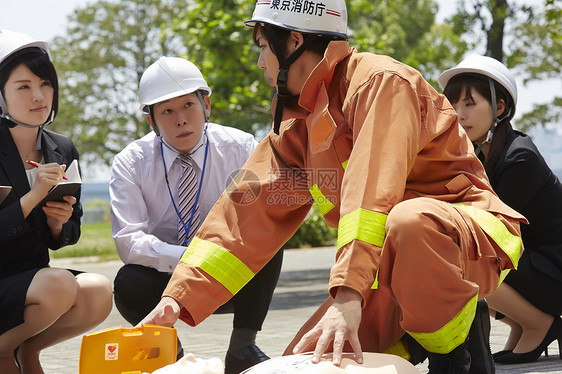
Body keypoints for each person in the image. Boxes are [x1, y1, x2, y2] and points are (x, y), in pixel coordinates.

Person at [140, 1, 527, 373]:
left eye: (262, 46)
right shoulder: (298, 125)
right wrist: (176, 298)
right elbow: (246, 211)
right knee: (304, 363)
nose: (260, 61)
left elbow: (372, 191)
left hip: (460, 241)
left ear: (292, 41)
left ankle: (454, 354)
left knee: (411, 221)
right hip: (387, 267)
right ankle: (414, 334)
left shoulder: (380, 83)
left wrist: (347, 295)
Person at [109, 56, 283, 374]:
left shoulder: (241, 147)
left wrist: (210, 259)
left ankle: (243, 347)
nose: (181, 120)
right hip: (164, 278)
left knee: (270, 244)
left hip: (225, 274)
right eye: (167, 111)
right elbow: (128, 241)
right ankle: (170, 354)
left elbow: (259, 220)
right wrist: (188, 258)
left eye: (188, 105)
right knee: (128, 281)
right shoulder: (130, 162)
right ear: (151, 121)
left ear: (207, 105)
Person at [0, 29, 113, 373]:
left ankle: (27, 351)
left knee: (97, 291)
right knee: (59, 285)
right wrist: (32, 197)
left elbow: (69, 232)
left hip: (34, 277)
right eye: (23, 86)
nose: (39, 96)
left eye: (45, 84)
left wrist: (58, 223)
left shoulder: (61, 148)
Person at [439, 54, 562, 364]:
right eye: (453, 105)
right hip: (536, 267)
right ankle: (523, 322)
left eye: (469, 104)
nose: (459, 114)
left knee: (466, 255)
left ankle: (539, 324)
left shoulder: (519, 158)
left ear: (500, 107)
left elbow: (488, 229)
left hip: (555, 272)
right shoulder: (481, 155)